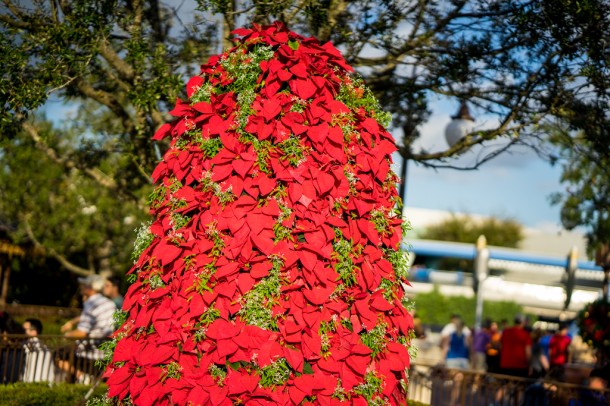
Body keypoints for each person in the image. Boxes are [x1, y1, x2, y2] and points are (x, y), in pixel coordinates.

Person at [57, 274, 116, 382]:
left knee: (57, 355)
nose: (82, 287)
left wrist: (67, 335)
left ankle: (82, 377)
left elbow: (82, 332)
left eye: (84, 285)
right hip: (105, 351)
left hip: (89, 353)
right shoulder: (109, 303)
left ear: (90, 288)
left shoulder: (91, 303)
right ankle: (83, 377)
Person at [22, 318, 56, 382]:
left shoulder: (28, 346)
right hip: (45, 383)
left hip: (29, 382)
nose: (22, 332)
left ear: (34, 332)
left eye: (24, 329)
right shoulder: (44, 347)